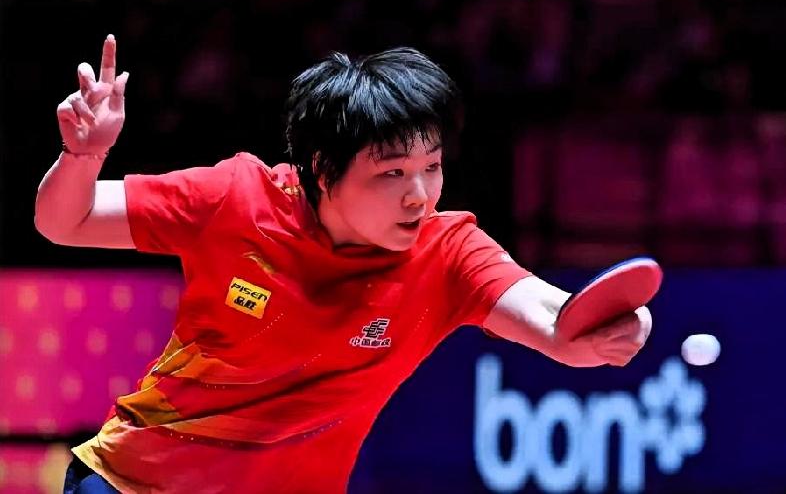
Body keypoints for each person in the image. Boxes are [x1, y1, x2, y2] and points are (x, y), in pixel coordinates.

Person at [36, 35, 652, 493]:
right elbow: (66, 221)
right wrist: (82, 157)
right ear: (324, 169)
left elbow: (554, 318)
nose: (419, 195)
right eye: (392, 172)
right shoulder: (236, 200)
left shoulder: (447, 252)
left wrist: (608, 322)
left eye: (431, 167)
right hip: (132, 483)